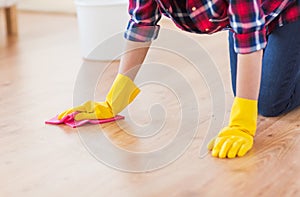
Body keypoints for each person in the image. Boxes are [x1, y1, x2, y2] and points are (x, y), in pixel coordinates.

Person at [58, 0, 300, 159]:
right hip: (252, 18)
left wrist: (242, 124)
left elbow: (248, 38)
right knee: (246, 91)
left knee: (268, 104)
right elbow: (140, 26)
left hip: (288, 10)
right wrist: (113, 101)